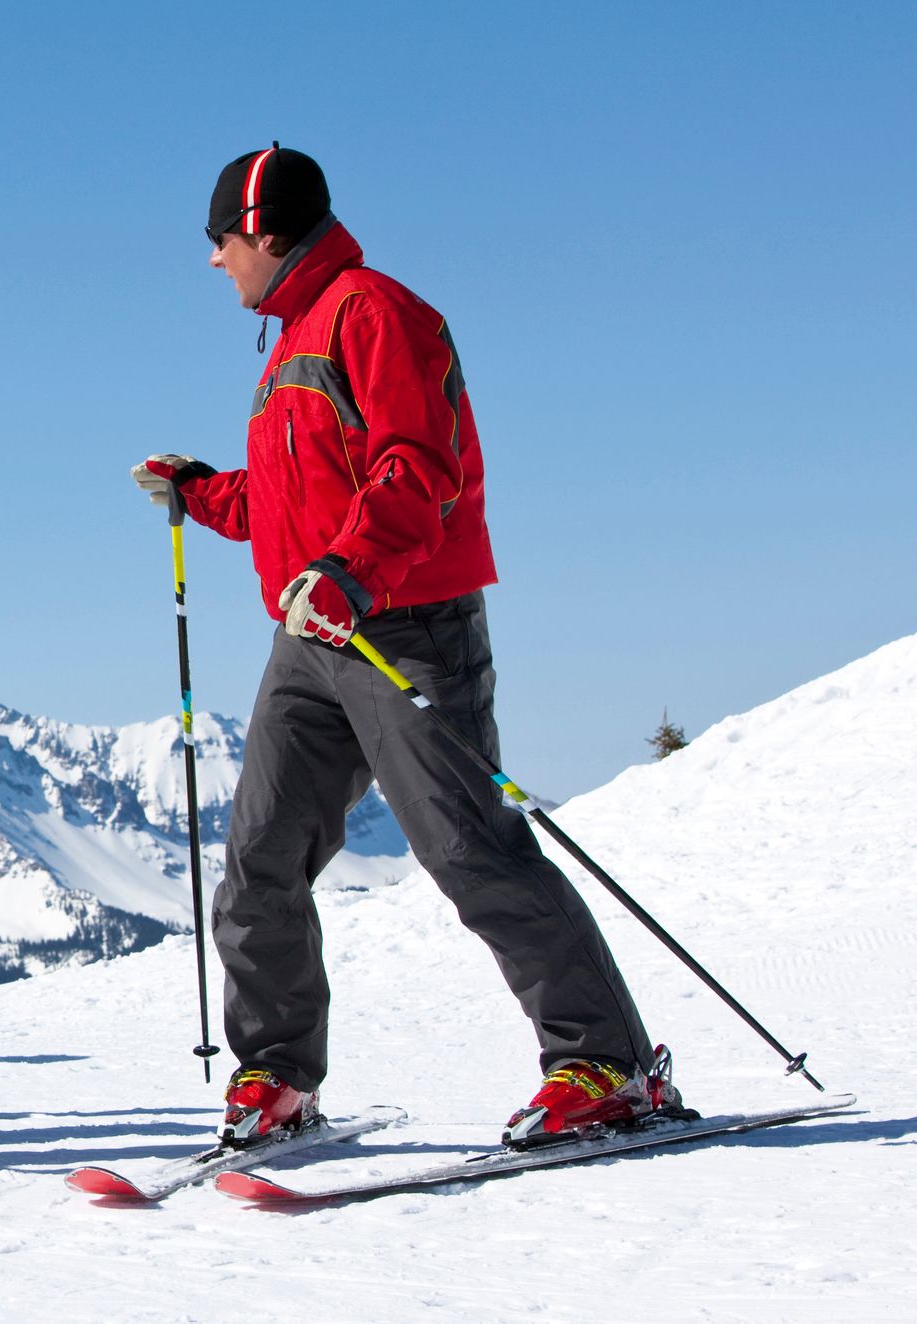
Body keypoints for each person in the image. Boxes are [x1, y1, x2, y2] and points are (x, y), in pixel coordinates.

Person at [132, 144, 669, 1148]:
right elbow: (293, 506)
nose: (213, 263)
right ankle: (275, 1076)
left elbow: (415, 465)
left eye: (218, 242)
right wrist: (198, 488)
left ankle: (605, 1064)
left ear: (260, 231)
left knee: (468, 847)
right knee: (258, 858)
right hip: (310, 639)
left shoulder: (372, 313)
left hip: (404, 625)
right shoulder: (291, 334)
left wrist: (348, 573)